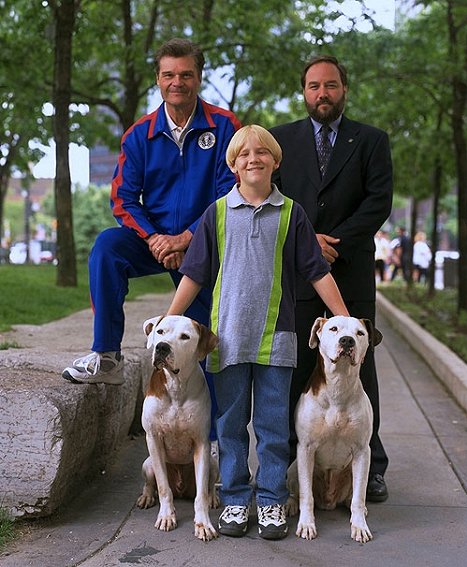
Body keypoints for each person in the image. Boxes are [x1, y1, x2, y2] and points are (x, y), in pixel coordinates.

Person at [166, 125, 349, 540]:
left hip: (276, 338)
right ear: (232, 165)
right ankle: (233, 499)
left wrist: (344, 321)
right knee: (230, 425)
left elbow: (317, 272)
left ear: (275, 161)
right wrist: (169, 320)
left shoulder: (291, 214)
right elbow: (194, 274)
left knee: (271, 426)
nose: (253, 158)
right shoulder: (215, 213)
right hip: (225, 339)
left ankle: (269, 502)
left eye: (262, 152)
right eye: (244, 154)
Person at [61, 35, 241, 430]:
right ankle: (106, 356)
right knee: (107, 246)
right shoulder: (139, 134)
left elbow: (230, 193)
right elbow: (124, 198)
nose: (178, 82)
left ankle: (211, 446)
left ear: (199, 78)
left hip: (204, 245)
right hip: (154, 242)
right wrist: (156, 239)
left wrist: (188, 238)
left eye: (186, 74)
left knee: (201, 341)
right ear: (158, 80)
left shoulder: (225, 126)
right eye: (169, 75)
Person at [270, 54, 393, 503]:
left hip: (351, 273)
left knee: (363, 370)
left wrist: (334, 240)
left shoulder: (372, 141)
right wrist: (305, 242)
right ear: (304, 92)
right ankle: (282, 466)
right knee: (298, 367)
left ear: (344, 88)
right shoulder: (281, 140)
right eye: (314, 86)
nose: (323, 93)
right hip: (300, 275)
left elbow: (378, 202)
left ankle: (372, 465)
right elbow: (275, 199)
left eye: (331, 85)